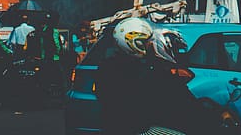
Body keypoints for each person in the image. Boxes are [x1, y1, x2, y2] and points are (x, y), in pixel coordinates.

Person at [95, 17, 233, 134]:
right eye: (147, 42)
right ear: (134, 43)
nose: (151, 45)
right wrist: (214, 117)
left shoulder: (108, 67)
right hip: (139, 129)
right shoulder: (147, 72)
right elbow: (180, 103)